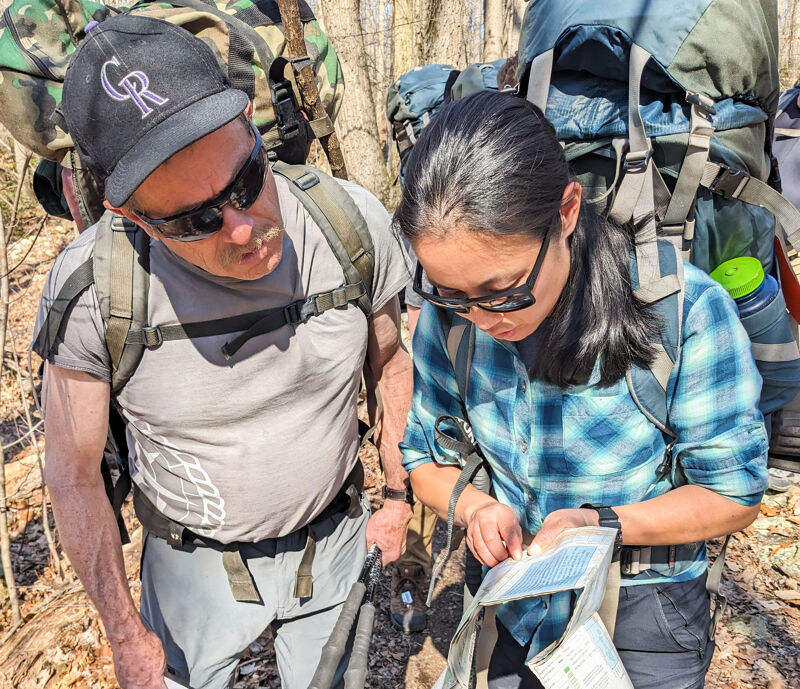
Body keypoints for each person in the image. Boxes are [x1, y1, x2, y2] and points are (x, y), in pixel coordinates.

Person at [33, 15, 413, 689]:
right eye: (195, 219)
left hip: (332, 541)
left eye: (247, 181)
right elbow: (73, 470)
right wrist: (125, 634)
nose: (243, 227)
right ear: (131, 217)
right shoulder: (95, 290)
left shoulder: (348, 226)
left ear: (250, 122)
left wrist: (400, 494)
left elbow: (391, 362)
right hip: (190, 570)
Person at [396, 91, 768, 689]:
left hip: (644, 616)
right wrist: (476, 508)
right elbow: (423, 460)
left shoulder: (683, 313)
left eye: (505, 291)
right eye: (450, 293)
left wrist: (602, 522)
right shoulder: (451, 323)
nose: (483, 318)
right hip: (510, 607)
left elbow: (734, 495)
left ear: (566, 212)